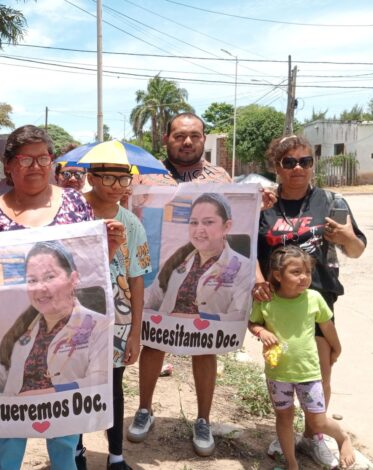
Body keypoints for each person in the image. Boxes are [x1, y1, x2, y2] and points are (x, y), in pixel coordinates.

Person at [0, 124, 125, 470]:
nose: (35, 166)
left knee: (65, 446)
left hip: (68, 374)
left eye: (43, 158)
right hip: (15, 376)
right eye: (25, 159)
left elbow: (90, 267)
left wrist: (109, 247)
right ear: (9, 165)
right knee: (8, 446)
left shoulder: (74, 204)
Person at [253, 134, 366, 466]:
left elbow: (356, 250)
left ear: (313, 164)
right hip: (277, 304)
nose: (298, 168)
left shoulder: (331, 202)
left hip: (318, 299)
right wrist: (260, 281)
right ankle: (288, 433)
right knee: (285, 369)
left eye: (305, 161)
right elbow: (247, 251)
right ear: (277, 166)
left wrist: (347, 237)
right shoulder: (265, 206)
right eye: (289, 162)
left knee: (319, 373)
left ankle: (313, 437)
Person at [126, 113, 234, 455]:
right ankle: (144, 409)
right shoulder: (146, 177)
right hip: (158, 270)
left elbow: (239, 219)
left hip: (211, 272)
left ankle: (203, 419)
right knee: (154, 341)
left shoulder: (221, 178)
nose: (187, 142)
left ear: (203, 139)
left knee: (204, 346)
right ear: (166, 139)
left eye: (194, 136)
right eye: (179, 136)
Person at [249, 245, 355, 469]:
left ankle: (342, 438)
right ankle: (292, 463)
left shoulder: (314, 298)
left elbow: (327, 327)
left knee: (317, 422)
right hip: (277, 373)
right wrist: (261, 331)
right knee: (284, 418)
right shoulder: (266, 300)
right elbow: (253, 322)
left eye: (307, 272)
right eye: (296, 272)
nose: (304, 277)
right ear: (278, 275)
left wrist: (337, 349)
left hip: (308, 372)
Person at [0, 241, 108, 396]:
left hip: (70, 417)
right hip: (18, 416)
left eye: (49, 277)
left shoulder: (99, 325)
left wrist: (53, 393)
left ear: (73, 279)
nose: (40, 287)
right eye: (32, 280)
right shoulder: (21, 329)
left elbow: (101, 379)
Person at [78, 163, 151, 470]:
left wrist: (135, 331)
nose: (116, 184)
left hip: (118, 320)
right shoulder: (74, 215)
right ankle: (75, 450)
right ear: (91, 178)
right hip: (77, 316)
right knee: (76, 384)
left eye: (123, 177)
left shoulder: (132, 224)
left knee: (114, 385)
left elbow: (136, 278)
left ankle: (116, 455)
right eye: (107, 177)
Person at [145, 193, 253, 322]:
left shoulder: (244, 267)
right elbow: (151, 299)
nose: (199, 229)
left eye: (208, 222)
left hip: (210, 339)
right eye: (194, 222)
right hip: (166, 337)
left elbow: (239, 315)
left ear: (226, 226)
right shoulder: (176, 261)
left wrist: (198, 319)